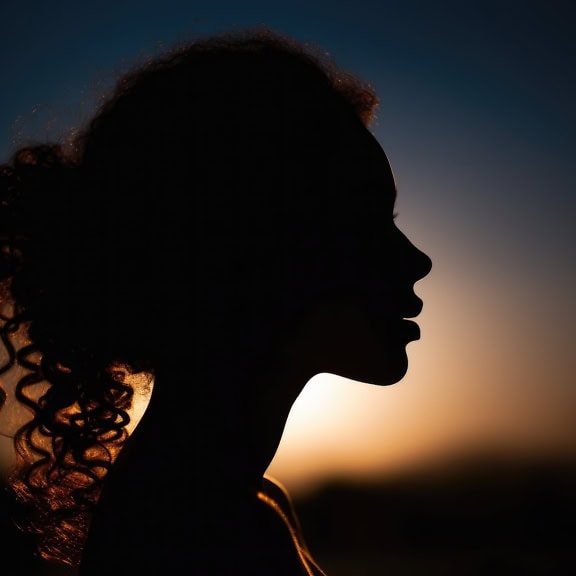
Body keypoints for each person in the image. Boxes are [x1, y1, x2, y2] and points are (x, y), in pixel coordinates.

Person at [0, 27, 431, 575]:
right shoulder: (198, 539)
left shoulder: (242, 507)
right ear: (244, 243)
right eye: (364, 223)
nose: (416, 261)